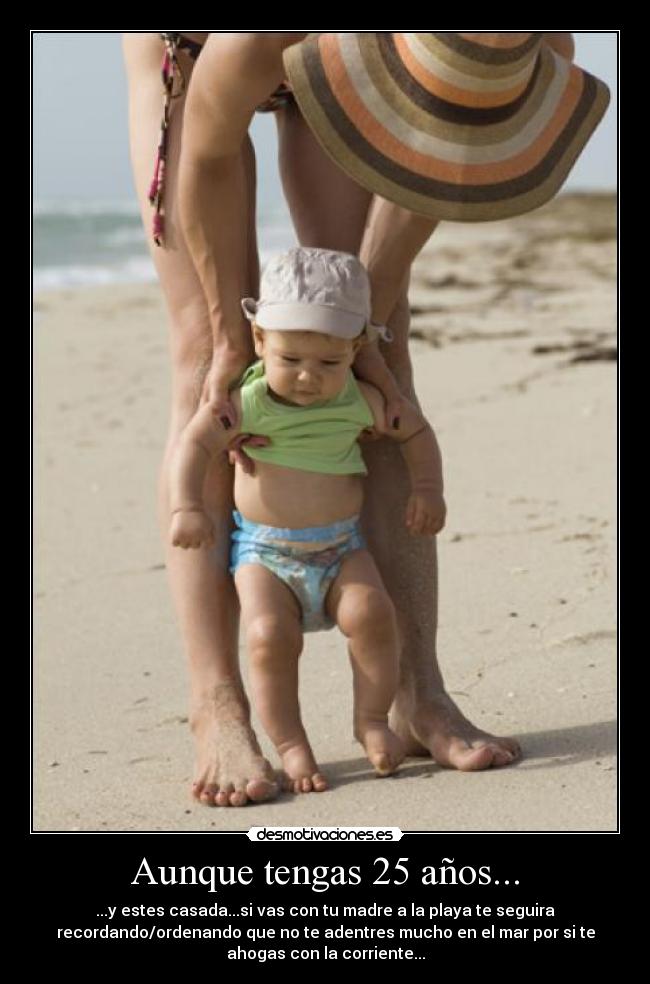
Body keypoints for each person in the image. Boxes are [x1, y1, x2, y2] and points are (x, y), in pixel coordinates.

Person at [123, 32, 609, 807]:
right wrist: (225, 339)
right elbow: (208, 152)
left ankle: (420, 693)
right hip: (196, 52)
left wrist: (367, 331)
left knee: (380, 361)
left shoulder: (532, 41)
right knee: (208, 373)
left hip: (371, 52)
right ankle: (217, 705)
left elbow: (434, 155)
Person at [169, 248, 446, 793]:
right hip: (265, 555)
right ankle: (291, 744)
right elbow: (196, 443)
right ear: (260, 342)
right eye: (291, 359)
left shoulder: (359, 399)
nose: (306, 378)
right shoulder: (246, 402)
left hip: (343, 548)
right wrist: (187, 505)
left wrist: (428, 487)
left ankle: (371, 720)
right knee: (268, 636)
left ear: (356, 351)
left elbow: (414, 432)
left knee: (373, 614)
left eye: (329, 364)